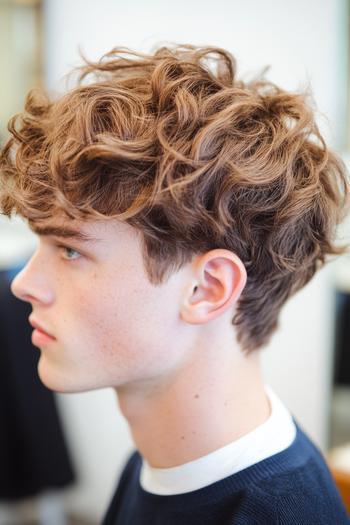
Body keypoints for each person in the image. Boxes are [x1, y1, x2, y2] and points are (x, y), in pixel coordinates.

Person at [1, 42, 349, 524]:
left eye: (70, 250)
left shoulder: (281, 514)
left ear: (207, 289)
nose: (24, 285)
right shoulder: (160, 465)